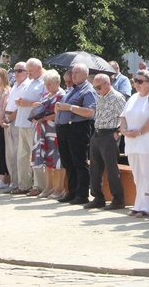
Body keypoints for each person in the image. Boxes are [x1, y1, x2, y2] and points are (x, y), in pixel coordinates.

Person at [119, 69, 149, 217]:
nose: (136, 84)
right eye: (135, 81)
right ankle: (139, 205)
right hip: (132, 142)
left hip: (148, 142)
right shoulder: (133, 97)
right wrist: (123, 130)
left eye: (140, 81)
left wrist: (140, 131)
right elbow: (123, 116)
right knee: (138, 175)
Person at [54, 64, 97, 205]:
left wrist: (69, 107)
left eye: (77, 73)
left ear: (85, 75)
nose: (73, 75)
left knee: (79, 162)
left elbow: (90, 112)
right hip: (64, 129)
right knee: (68, 162)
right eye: (73, 73)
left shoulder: (88, 91)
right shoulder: (71, 90)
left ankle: (82, 194)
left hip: (78, 128)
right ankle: (72, 192)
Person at [86, 73, 128, 210]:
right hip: (97, 133)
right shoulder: (99, 96)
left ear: (107, 84)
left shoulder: (117, 98)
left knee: (111, 169)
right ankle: (98, 198)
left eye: (98, 87)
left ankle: (118, 199)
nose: (96, 90)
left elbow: (126, 117)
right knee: (95, 169)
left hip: (110, 134)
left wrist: (118, 133)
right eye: (95, 88)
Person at [12, 58, 46, 195]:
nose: (28, 73)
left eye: (31, 70)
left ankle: (39, 186)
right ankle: (23, 184)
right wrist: (20, 101)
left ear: (39, 68)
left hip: (34, 123)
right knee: (22, 155)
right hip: (22, 122)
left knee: (36, 155)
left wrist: (27, 102)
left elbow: (44, 101)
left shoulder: (44, 81)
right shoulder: (31, 82)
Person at [29, 70, 65, 198]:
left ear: (57, 83)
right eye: (46, 84)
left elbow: (60, 114)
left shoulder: (61, 95)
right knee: (47, 160)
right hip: (43, 130)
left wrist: (44, 118)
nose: (47, 86)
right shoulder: (46, 94)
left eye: (50, 84)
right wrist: (35, 107)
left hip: (54, 131)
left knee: (58, 160)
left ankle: (59, 188)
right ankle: (48, 187)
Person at [0, 62, 28, 192]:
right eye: (15, 70)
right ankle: (13, 182)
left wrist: (8, 118)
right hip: (8, 119)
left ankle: (18, 183)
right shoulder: (15, 85)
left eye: (19, 70)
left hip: (16, 120)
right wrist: (3, 118)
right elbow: (8, 104)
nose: (16, 73)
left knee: (18, 153)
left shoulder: (27, 86)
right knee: (10, 154)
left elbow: (20, 107)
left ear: (27, 72)